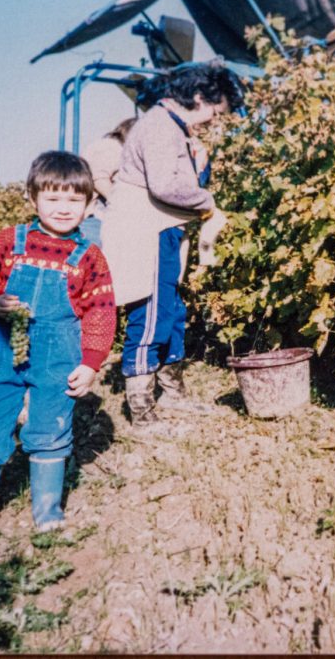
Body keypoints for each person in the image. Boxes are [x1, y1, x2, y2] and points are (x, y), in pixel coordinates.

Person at [0, 151, 116, 535]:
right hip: (2, 351)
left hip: (58, 357)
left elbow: (101, 309)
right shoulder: (9, 241)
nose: (63, 208)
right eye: (53, 198)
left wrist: (90, 362)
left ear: (89, 203)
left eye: (74, 199)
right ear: (32, 198)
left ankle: (47, 507)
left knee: (50, 424)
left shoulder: (89, 257)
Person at [100, 63, 235, 432]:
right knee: (151, 312)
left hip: (165, 228)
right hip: (149, 229)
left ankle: (172, 391)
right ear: (198, 98)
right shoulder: (160, 126)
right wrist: (208, 202)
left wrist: (200, 168)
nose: (213, 120)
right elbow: (164, 186)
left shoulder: (173, 128)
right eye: (215, 111)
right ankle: (141, 410)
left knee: (172, 310)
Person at [79, 117, 137, 246]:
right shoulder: (112, 147)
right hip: (95, 219)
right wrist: (124, 205)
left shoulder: (112, 147)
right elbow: (99, 178)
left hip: (99, 218)